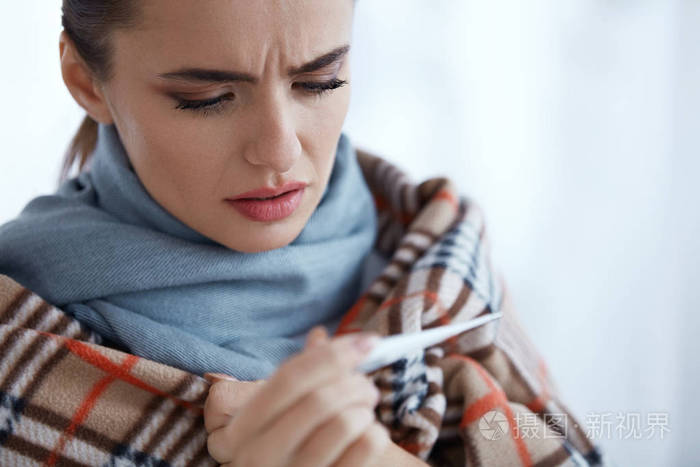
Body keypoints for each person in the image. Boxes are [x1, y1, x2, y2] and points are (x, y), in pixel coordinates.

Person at [0, 0, 429, 465]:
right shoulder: (16, 341)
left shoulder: (431, 242)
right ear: (87, 83)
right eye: (207, 98)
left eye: (319, 82)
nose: (279, 153)